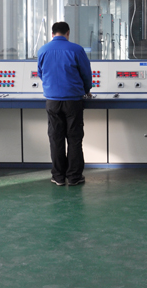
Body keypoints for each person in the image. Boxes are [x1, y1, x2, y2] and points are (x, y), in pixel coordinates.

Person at [37, 22, 92, 186]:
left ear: (52, 34)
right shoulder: (76, 50)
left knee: (56, 138)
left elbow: (40, 73)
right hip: (73, 101)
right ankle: (74, 177)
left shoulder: (43, 50)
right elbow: (86, 73)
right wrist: (87, 90)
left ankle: (58, 177)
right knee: (74, 139)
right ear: (68, 33)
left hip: (52, 101)